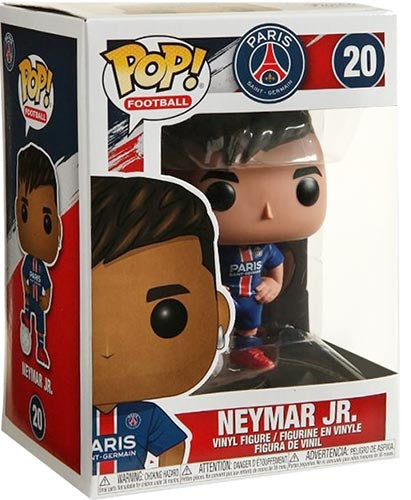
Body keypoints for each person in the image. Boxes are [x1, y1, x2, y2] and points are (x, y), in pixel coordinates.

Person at [162, 111, 326, 370]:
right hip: (221, 297)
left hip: (252, 298)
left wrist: (275, 283)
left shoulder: (265, 248)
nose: (268, 212)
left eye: (305, 189)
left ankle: (247, 348)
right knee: (213, 321)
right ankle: (210, 352)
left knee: (250, 323)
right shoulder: (207, 249)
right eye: (221, 193)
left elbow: (277, 263)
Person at [91, 176, 231, 472]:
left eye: (167, 317)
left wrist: (164, 478)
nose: (107, 349)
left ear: (220, 314)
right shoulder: (67, 413)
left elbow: (173, 445)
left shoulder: (146, 415)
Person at [16, 144, 62, 369]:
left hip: (38, 302)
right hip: (29, 300)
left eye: (46, 222)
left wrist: (47, 299)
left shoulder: (41, 267)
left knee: (41, 324)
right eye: (25, 213)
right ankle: (27, 330)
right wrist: (26, 288)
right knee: (29, 316)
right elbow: (25, 275)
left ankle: (41, 347)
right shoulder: (29, 262)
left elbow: (49, 286)